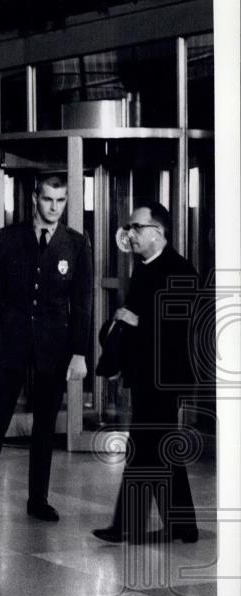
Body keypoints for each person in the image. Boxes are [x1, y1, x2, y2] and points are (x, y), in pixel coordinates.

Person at [0, 174, 92, 523]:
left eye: (60, 201)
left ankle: (38, 499)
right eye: (48, 200)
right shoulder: (8, 239)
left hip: (54, 346)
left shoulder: (75, 243)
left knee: (44, 426)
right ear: (34, 199)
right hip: (11, 343)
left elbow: (82, 303)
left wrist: (80, 352)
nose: (54, 208)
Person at [93, 202, 200, 544]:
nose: (130, 234)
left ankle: (126, 524)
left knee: (144, 449)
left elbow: (178, 330)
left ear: (158, 232)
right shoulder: (144, 268)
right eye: (130, 227)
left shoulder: (180, 271)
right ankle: (183, 525)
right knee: (159, 450)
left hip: (165, 378)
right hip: (145, 376)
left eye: (137, 227)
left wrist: (135, 321)